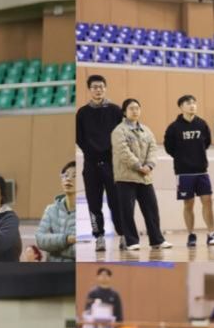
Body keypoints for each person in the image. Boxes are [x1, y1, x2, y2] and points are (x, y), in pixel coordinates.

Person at [112, 99, 170, 253]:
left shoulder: (146, 130)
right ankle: (131, 241)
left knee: (152, 210)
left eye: (137, 108)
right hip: (126, 177)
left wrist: (149, 165)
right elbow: (123, 152)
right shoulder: (119, 131)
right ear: (124, 112)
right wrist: (138, 166)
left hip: (145, 177)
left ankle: (157, 240)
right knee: (127, 211)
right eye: (131, 108)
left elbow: (153, 149)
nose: (135, 111)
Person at [76, 74, 125, 247]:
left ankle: (123, 235)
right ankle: (99, 237)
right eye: (95, 87)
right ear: (89, 90)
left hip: (112, 165)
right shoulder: (82, 113)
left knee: (116, 202)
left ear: (105, 88)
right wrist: (92, 152)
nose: (98, 90)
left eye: (101, 87)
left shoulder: (115, 110)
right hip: (91, 165)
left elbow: (122, 134)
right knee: (94, 204)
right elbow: (79, 138)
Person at [164, 94, 214, 247]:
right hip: (184, 172)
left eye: (194, 103)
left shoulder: (202, 124)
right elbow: (169, 148)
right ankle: (191, 234)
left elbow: (206, 143)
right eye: (188, 103)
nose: (192, 105)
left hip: (201, 171)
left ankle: (211, 233)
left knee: (207, 201)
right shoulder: (174, 128)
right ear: (181, 107)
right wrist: (183, 158)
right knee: (188, 204)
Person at [36, 159, 78, 260]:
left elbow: (83, 249)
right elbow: (40, 239)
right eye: (66, 175)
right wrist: (67, 240)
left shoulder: (88, 213)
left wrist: (53, 248)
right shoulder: (51, 210)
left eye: (75, 176)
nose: (68, 179)